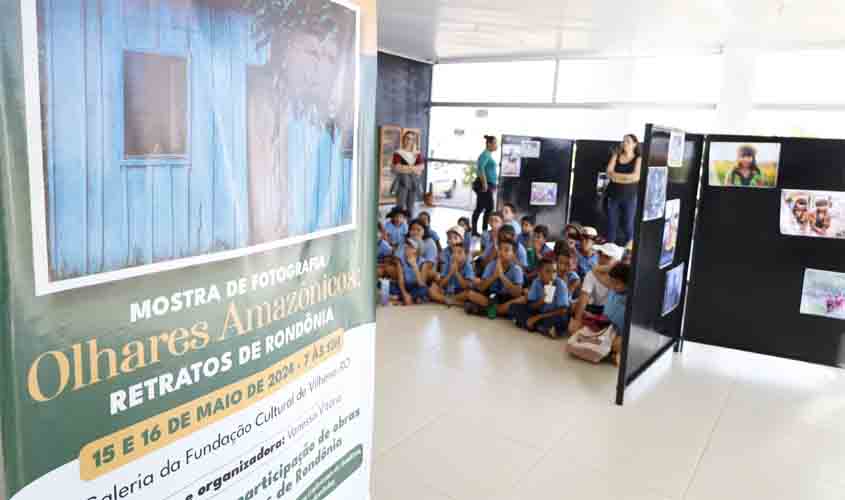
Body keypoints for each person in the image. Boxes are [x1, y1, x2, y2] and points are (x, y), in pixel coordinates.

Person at [568, 243, 624, 334]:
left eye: (607, 257)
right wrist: (577, 321)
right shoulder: (591, 274)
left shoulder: (620, 278)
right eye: (600, 254)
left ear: (616, 262)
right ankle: (594, 321)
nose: (602, 258)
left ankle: (596, 322)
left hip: (611, 311)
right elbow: (583, 298)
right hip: (596, 308)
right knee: (573, 308)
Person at [509, 258, 571, 337]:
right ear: (540, 274)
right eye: (548, 272)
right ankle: (541, 328)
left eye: (554, 271)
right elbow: (531, 306)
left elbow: (563, 310)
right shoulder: (536, 282)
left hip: (553, 314)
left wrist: (537, 317)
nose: (552, 276)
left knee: (563, 319)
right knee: (513, 307)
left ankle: (531, 325)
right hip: (540, 312)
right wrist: (542, 300)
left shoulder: (560, 285)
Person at [465, 240, 524, 317]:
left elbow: (517, 293)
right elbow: (481, 288)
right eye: (500, 249)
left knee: (522, 299)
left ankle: (488, 310)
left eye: (506, 250)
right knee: (470, 294)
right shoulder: (492, 265)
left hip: (508, 298)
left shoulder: (517, 269)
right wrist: (494, 276)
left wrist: (502, 276)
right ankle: (498, 311)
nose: (502, 252)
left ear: (513, 255)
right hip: (492, 296)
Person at [606, 134, 642, 246]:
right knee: (611, 224)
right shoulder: (616, 156)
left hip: (629, 197)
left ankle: (630, 252)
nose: (625, 143)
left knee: (628, 225)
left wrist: (616, 177)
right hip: (613, 195)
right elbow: (608, 173)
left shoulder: (638, 158)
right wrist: (626, 178)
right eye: (624, 141)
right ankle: (609, 251)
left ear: (635, 144)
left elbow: (636, 177)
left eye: (628, 141)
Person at [391, 130, 424, 217]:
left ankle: (409, 225)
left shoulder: (416, 153)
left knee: (410, 206)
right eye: (407, 138)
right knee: (400, 206)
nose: (409, 141)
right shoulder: (398, 153)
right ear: (403, 139)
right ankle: (399, 225)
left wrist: (405, 168)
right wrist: (413, 169)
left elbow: (421, 168)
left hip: (413, 182)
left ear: (414, 141)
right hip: (403, 181)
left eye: (412, 139)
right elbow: (397, 168)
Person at [604, 262, 631, 365]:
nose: (613, 286)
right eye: (612, 282)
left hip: (620, 334)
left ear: (627, 283)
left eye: (617, 283)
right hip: (605, 327)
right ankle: (610, 352)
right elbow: (595, 270)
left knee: (617, 344)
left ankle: (615, 353)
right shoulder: (612, 291)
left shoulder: (630, 297)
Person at [471, 135, 499, 236]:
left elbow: (486, 169)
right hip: (484, 185)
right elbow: (480, 168)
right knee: (488, 208)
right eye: (495, 143)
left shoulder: (488, 154)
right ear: (489, 144)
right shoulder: (485, 154)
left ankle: (481, 231)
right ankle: (482, 231)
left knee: (482, 207)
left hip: (488, 185)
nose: (497, 145)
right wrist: (485, 184)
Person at [397, 219, 439, 285]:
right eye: (412, 229)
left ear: (424, 231)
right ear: (409, 231)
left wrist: (415, 265)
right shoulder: (405, 240)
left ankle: (419, 286)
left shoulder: (430, 242)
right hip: (406, 267)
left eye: (418, 230)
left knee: (431, 273)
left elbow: (429, 264)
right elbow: (397, 258)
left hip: (422, 269)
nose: (415, 232)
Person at [392, 238, 430, 306]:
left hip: (416, 287)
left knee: (424, 290)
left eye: (411, 247)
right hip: (404, 285)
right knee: (389, 286)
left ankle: (400, 298)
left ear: (417, 251)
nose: (407, 247)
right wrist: (404, 294)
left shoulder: (423, 263)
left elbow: (421, 284)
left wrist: (415, 267)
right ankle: (411, 298)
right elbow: (401, 280)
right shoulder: (400, 260)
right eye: (407, 245)